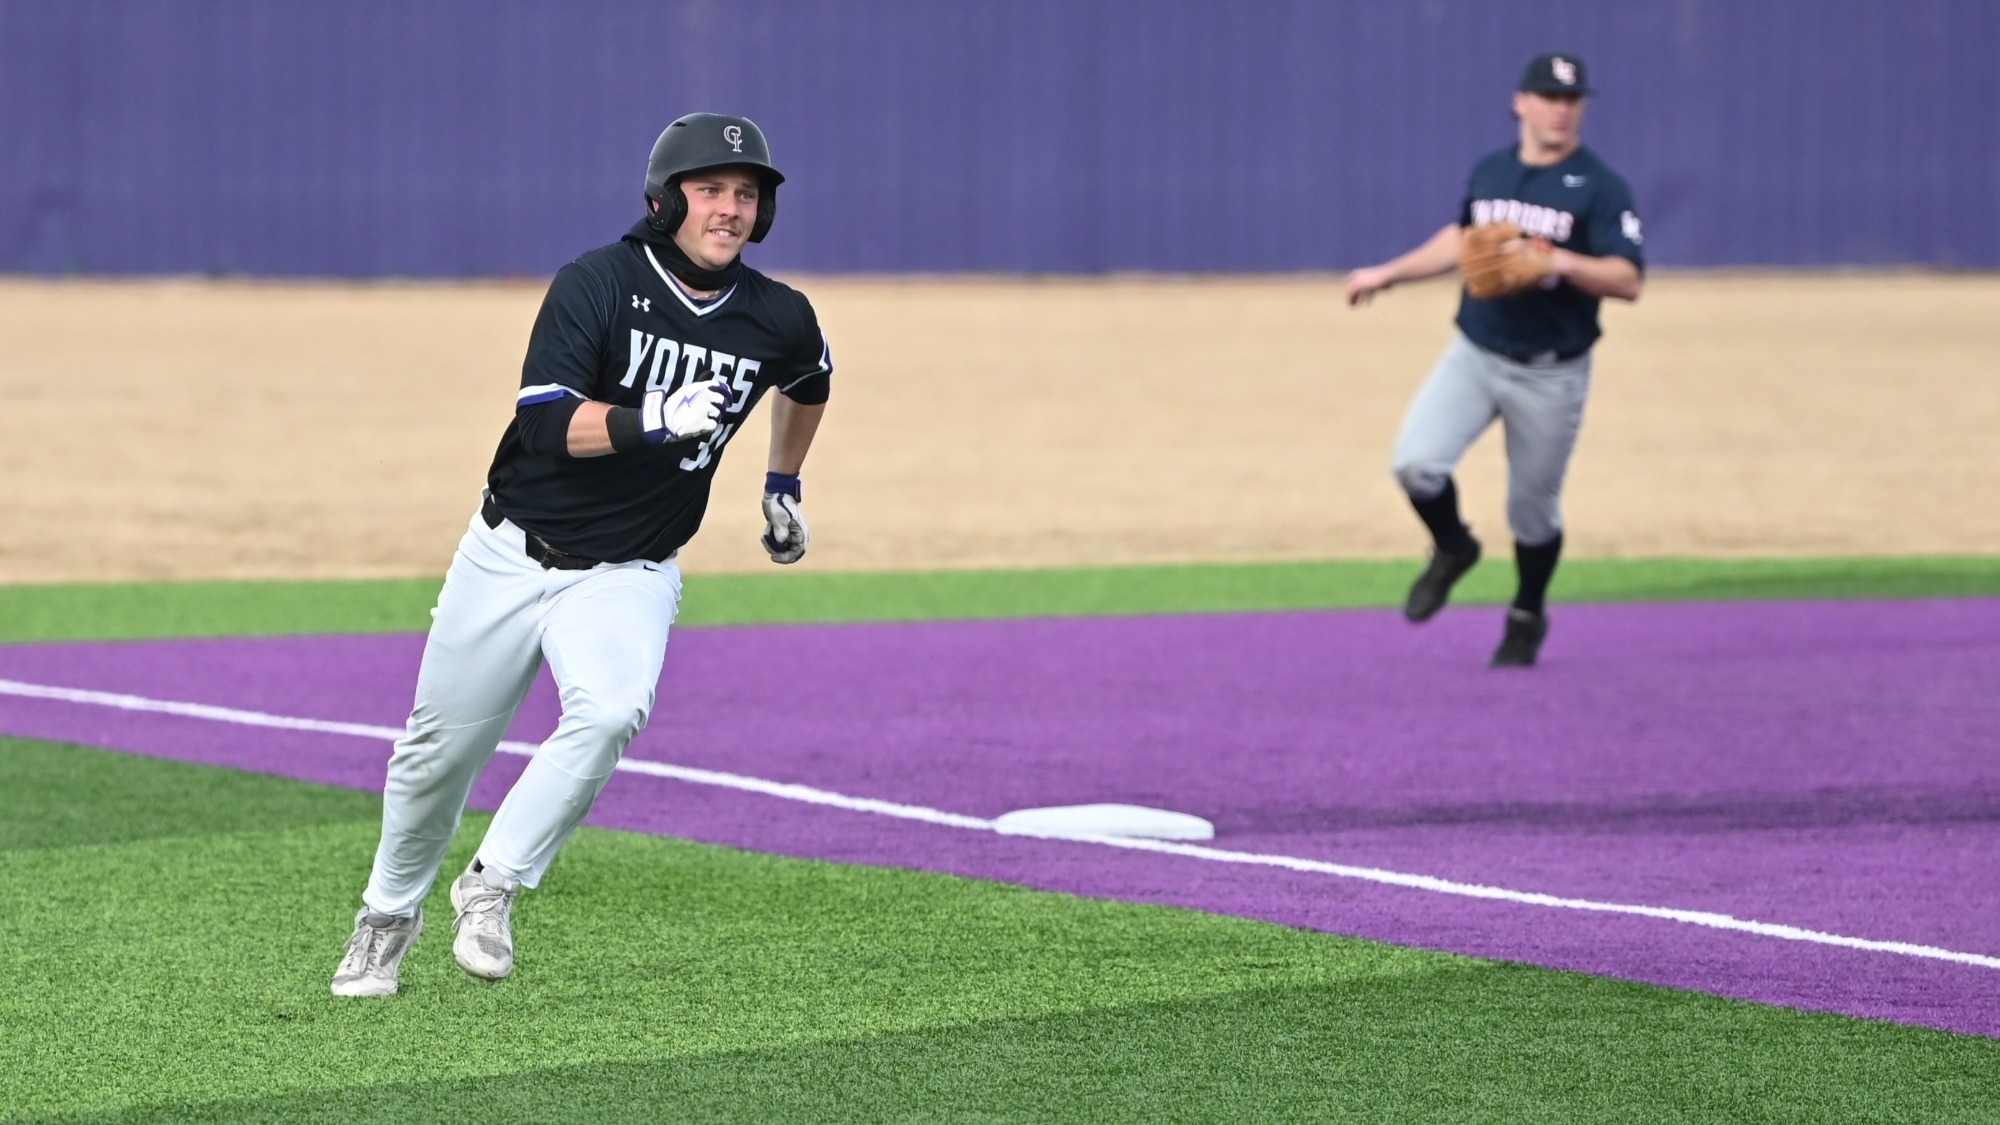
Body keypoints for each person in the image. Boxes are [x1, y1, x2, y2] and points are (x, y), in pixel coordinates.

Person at [332, 113, 832, 997]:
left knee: (609, 712)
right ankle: (387, 915)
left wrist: (782, 481)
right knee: (435, 757)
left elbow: (810, 377)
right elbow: (546, 422)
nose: (729, 208)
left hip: (629, 570)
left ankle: (493, 884)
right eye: (710, 190)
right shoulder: (598, 283)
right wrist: (656, 420)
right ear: (666, 198)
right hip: (510, 552)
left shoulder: (777, 314)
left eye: (746, 194)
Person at [1344, 52, 1644, 667]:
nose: (1561, 110)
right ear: (1520, 103)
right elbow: (1462, 241)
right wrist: (1388, 273)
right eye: (1549, 97)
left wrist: (1560, 261)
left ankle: (1527, 614)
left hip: (1551, 372)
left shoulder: (1600, 186)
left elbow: (1628, 279)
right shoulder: (1491, 172)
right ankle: (1454, 547)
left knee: (1531, 513)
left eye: (1572, 99)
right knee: (1416, 465)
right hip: (1476, 354)